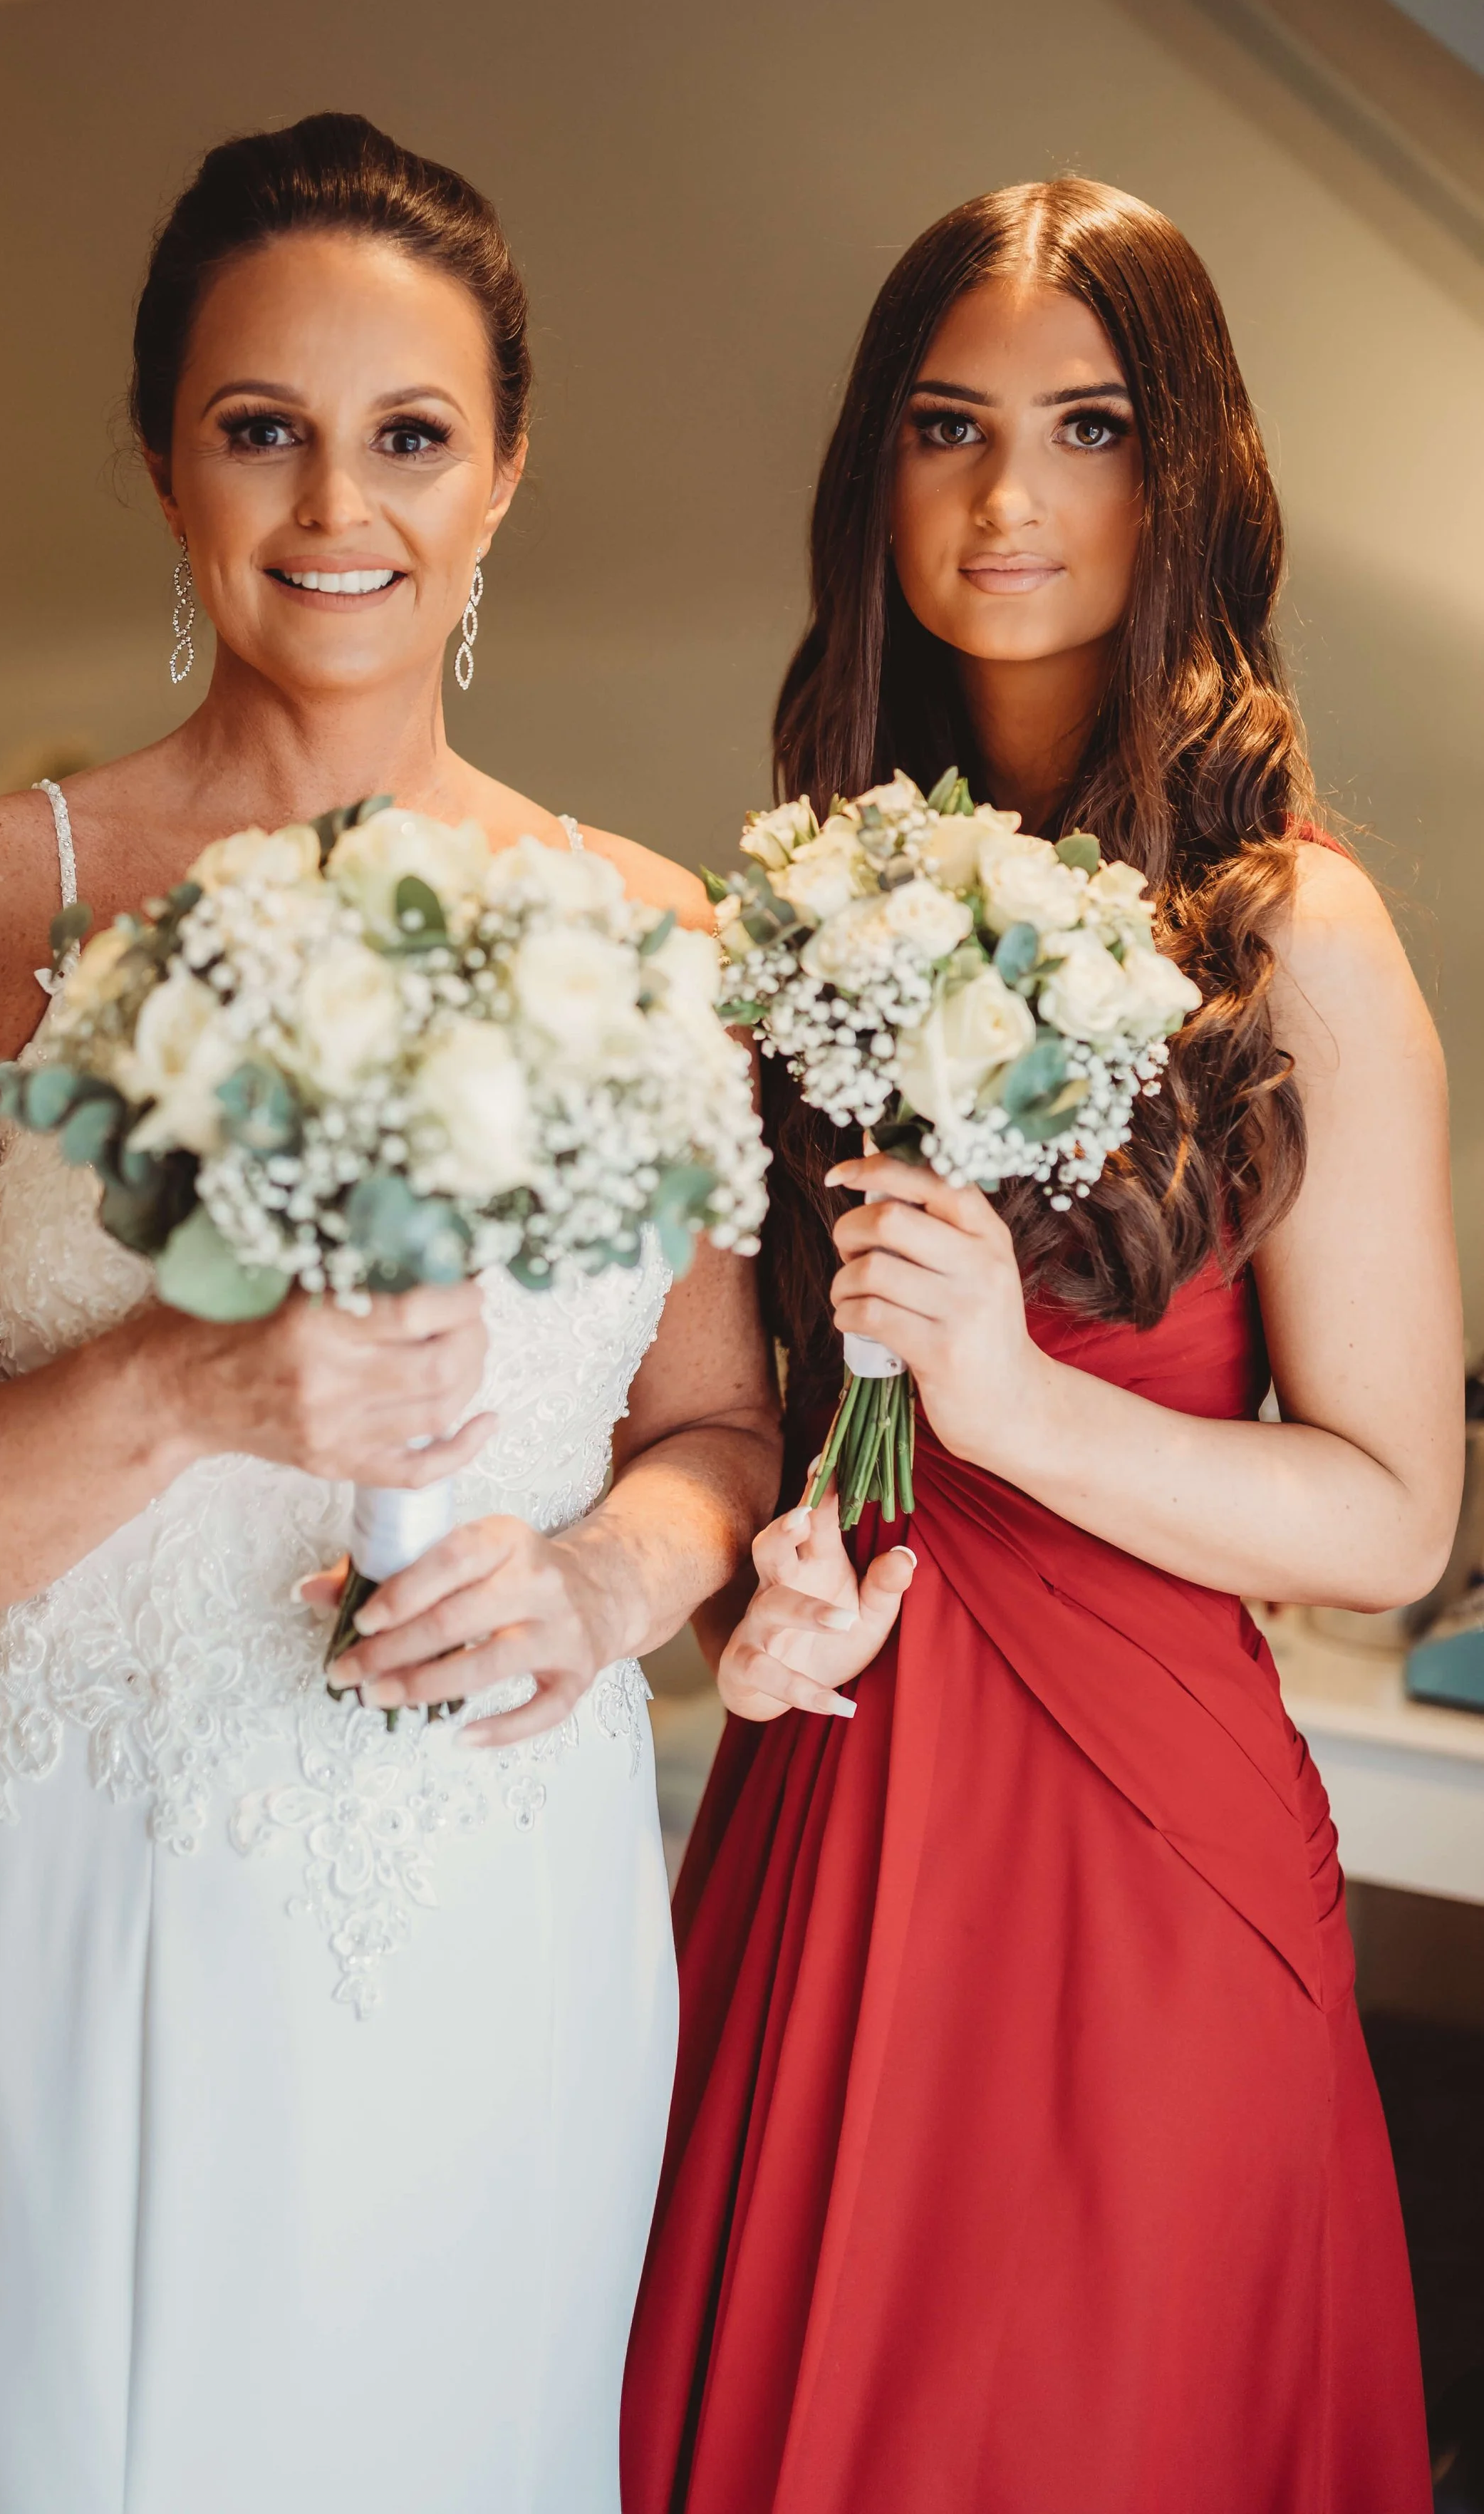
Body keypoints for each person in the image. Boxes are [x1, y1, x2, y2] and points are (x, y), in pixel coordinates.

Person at [0, 112, 779, 2514]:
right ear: (162, 467)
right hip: (94, 1901)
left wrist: (598, 1580)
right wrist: (184, 1380)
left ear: (506, 471)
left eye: (410, 434)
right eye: (263, 430)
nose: (341, 504)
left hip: (502, 1920)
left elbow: (720, 1430)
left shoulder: (653, 935)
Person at [622, 178, 1458, 2514]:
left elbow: (1394, 1513)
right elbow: (782, 1418)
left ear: (1181, 471)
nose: (1006, 498)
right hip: (833, 1791)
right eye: (944, 424)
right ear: (868, 473)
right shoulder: (802, 890)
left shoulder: (1291, 931)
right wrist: (761, 1579)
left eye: (1084, 426)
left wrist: (1008, 1403)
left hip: (1139, 1852)